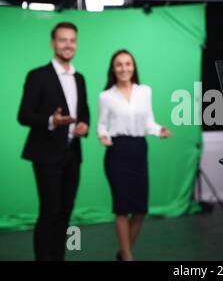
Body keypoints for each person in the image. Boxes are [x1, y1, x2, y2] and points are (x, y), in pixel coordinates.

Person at [18, 22, 90, 261]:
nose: (68, 44)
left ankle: (58, 257)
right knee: (49, 212)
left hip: (72, 155)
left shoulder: (80, 78)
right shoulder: (37, 76)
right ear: (53, 43)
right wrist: (52, 120)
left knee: (65, 212)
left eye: (72, 40)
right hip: (46, 154)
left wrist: (84, 126)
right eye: (63, 40)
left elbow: (84, 111)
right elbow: (24, 115)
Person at [97, 49, 172, 261]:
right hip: (117, 152)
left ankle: (122, 254)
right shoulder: (106, 96)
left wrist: (160, 131)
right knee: (121, 209)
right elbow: (102, 125)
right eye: (119, 64)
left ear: (133, 67)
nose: (124, 68)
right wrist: (102, 136)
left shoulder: (145, 91)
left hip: (139, 150)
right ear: (113, 69)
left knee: (139, 211)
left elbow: (149, 122)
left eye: (128, 64)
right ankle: (128, 258)